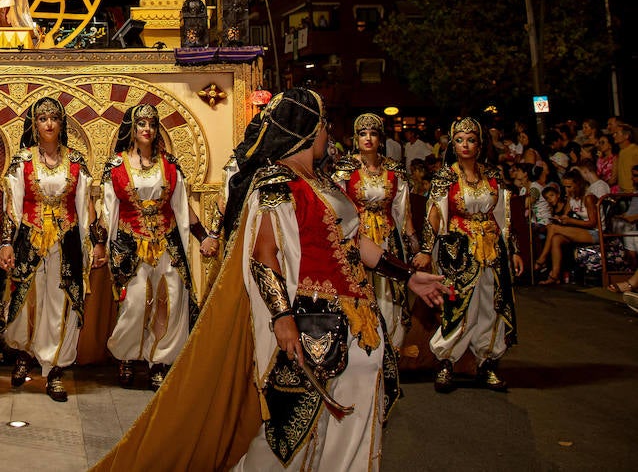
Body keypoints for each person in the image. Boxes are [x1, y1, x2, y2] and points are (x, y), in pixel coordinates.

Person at [94, 88, 448, 471]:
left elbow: (356, 242)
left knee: (355, 415)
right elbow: (264, 259)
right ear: (309, 130)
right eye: (324, 124)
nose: (328, 133)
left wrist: (409, 275)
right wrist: (282, 320)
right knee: (292, 424)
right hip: (310, 320)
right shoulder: (277, 185)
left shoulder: (324, 183)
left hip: (358, 318)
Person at [101, 103, 215, 390]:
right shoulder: (116, 167)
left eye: (152, 124)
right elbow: (108, 212)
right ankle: (126, 357)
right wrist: (101, 246)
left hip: (167, 243)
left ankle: (159, 361)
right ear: (132, 129)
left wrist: (203, 237)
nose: (147, 129)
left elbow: (181, 207)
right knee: (135, 302)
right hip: (130, 245)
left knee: (170, 300)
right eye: (141, 124)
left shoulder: (171, 166)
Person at [415, 116, 524, 393]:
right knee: (458, 308)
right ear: (453, 144)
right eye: (460, 140)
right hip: (459, 252)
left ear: (480, 144)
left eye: (471, 140)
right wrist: (427, 250)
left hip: (492, 251)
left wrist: (513, 251)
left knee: (492, 306)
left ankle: (486, 362)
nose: (466, 145)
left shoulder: (493, 175)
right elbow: (434, 215)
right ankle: (445, 362)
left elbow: (503, 216)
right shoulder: (446, 176)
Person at [0, 95, 93, 402]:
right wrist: (7, 243)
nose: (49, 123)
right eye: (42, 118)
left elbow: (85, 208)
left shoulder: (77, 161)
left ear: (61, 123)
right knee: (28, 301)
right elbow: (11, 206)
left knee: (60, 303)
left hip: (65, 244)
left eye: (53, 118)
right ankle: (24, 353)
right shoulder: (22, 161)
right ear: (34, 124)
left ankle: (55, 368)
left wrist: (92, 244)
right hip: (30, 241)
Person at [336, 113, 413, 348]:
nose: (368, 138)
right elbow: (338, 209)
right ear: (355, 138)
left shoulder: (394, 170)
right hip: (358, 239)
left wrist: (414, 244)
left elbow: (403, 211)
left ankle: (391, 348)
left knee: (390, 294)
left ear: (381, 138)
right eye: (362, 134)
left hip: (389, 237)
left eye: (373, 133)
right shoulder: (344, 170)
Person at [533, 168, 603, 285]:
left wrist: (570, 221)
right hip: (583, 230)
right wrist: (560, 219)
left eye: (569, 187)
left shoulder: (588, 198)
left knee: (553, 228)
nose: (567, 190)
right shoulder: (571, 198)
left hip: (595, 232)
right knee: (556, 238)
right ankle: (554, 275)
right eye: (565, 187)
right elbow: (565, 216)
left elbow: (593, 223)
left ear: (578, 185)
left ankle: (541, 260)